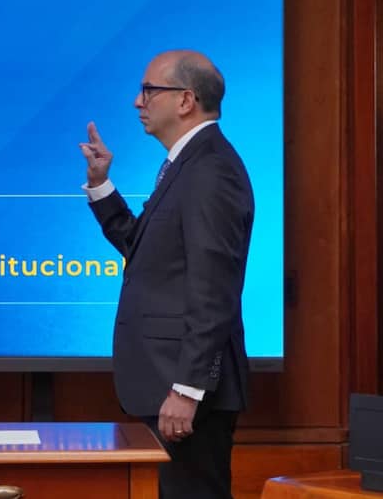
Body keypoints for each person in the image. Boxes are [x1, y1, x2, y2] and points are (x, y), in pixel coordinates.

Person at [79, 50, 253, 498]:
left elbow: (214, 289)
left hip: (186, 391)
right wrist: (101, 185)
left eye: (149, 90)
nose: (138, 102)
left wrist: (188, 389)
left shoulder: (211, 170)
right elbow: (144, 252)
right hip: (167, 383)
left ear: (185, 100)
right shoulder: (188, 164)